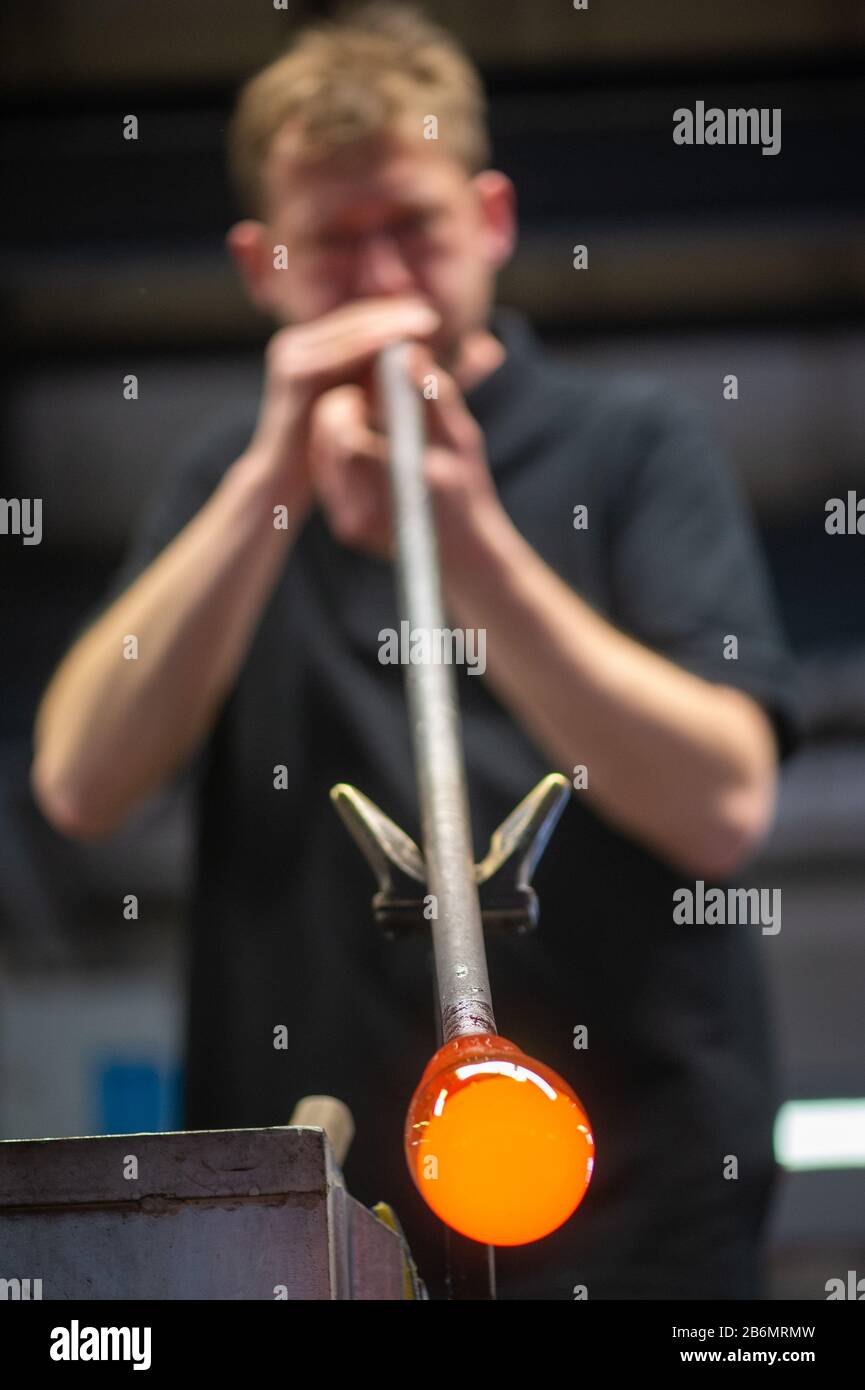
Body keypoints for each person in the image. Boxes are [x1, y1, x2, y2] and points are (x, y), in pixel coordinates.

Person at [31, 2, 800, 1300]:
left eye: (415, 228)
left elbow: (722, 808)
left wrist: (467, 533)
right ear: (260, 263)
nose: (382, 281)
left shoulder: (633, 446)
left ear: (489, 220)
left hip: (637, 1198)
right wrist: (271, 471)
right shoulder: (224, 481)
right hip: (304, 1204)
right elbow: (81, 786)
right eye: (334, 242)